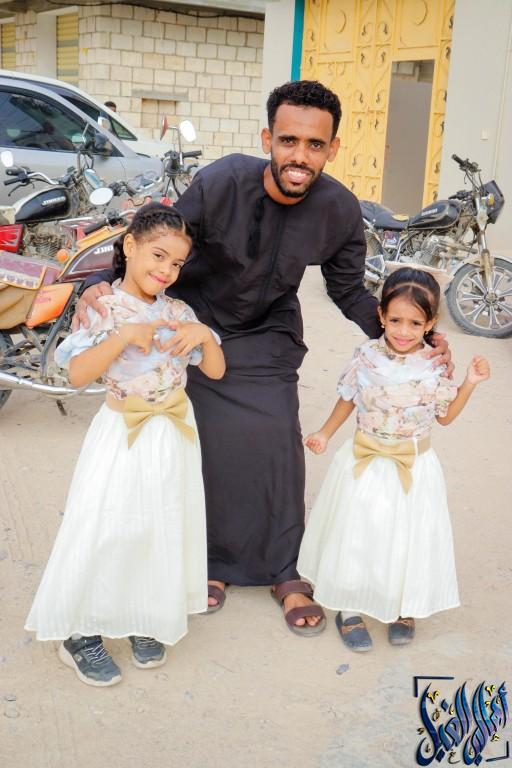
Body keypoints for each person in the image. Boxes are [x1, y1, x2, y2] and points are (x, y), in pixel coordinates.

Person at [73, 80, 451, 635]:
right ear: (267, 138)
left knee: (276, 440)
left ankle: (282, 569)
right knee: (209, 444)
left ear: (332, 149)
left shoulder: (339, 209)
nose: (300, 156)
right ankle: (214, 563)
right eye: (288, 140)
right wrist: (103, 285)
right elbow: (161, 239)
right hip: (196, 323)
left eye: (315, 145)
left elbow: (349, 290)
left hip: (269, 331)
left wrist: (410, 338)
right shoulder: (222, 181)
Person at [25, 203, 225, 686]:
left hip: (174, 435)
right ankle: (80, 633)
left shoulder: (178, 312)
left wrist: (204, 335)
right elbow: (77, 374)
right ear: (130, 246)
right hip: (123, 434)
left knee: (158, 525)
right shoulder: (103, 307)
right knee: (108, 527)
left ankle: (143, 615)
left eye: (176, 263)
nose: (166, 270)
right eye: (158, 256)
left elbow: (215, 370)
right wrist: (121, 338)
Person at [298, 267, 490, 651]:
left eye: (415, 323)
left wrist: (469, 382)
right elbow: (349, 397)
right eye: (396, 320)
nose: (404, 331)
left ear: (430, 323)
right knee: (359, 532)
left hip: (413, 465)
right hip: (364, 459)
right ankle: (350, 606)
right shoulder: (366, 355)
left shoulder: (435, 365)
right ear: (382, 315)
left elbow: (445, 417)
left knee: (406, 536)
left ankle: (403, 605)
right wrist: (324, 432)